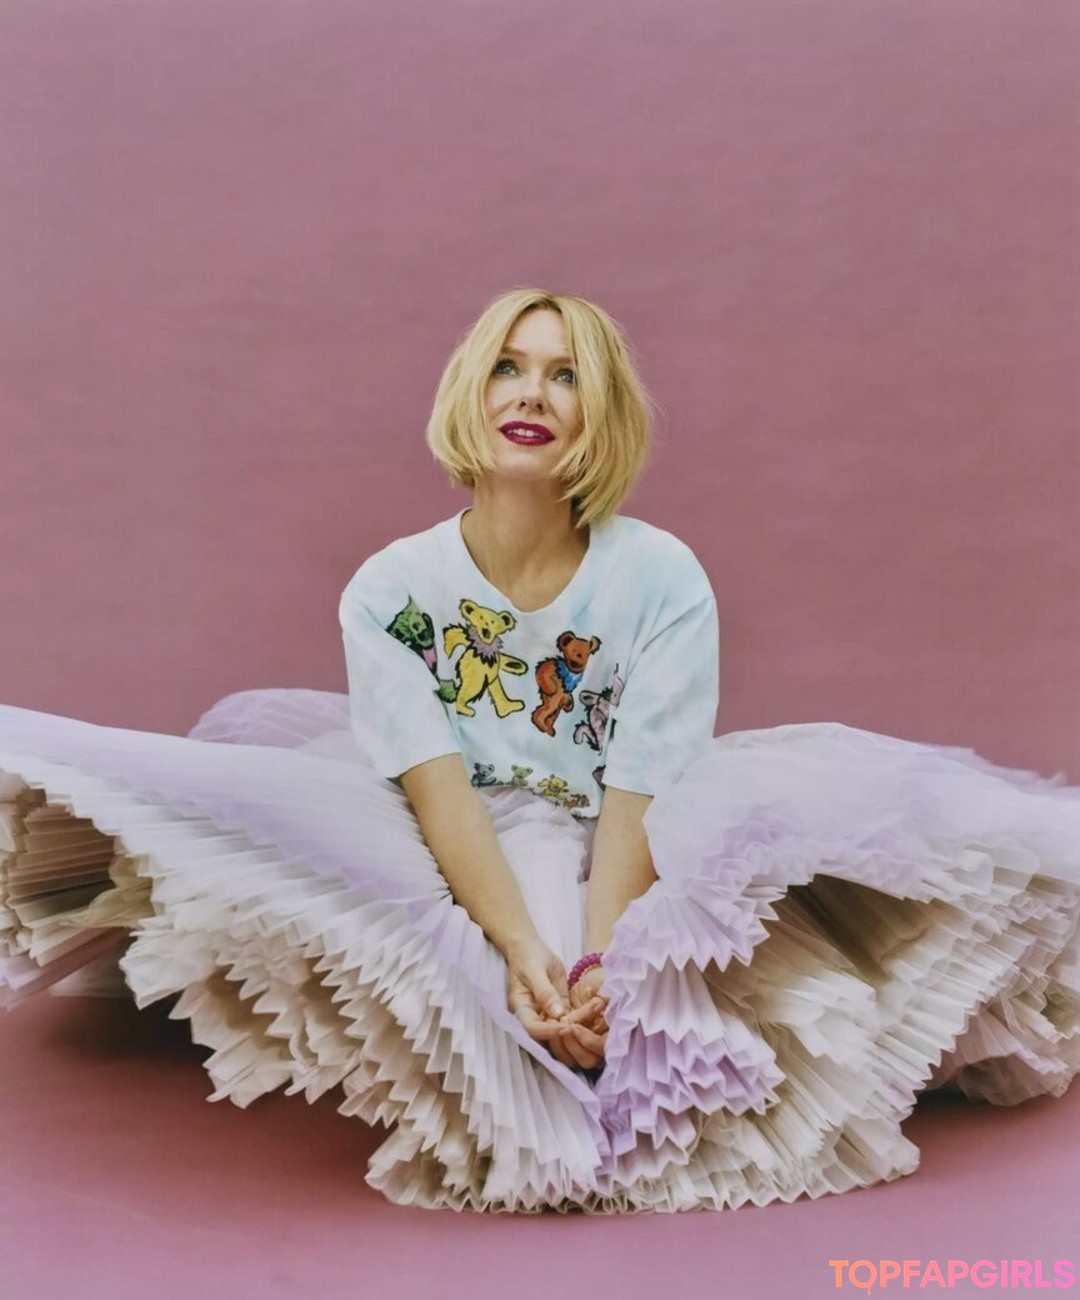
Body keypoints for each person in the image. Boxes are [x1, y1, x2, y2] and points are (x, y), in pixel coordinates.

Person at [2, 287, 1080, 1213]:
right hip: (452, 821)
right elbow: (439, 789)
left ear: (598, 414)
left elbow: (639, 789)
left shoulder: (660, 577)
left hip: (625, 826)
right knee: (507, 1000)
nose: (532, 395)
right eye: (508, 369)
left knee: (621, 1023)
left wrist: (607, 959)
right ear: (470, 394)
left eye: (566, 377)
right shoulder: (392, 588)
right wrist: (520, 946)